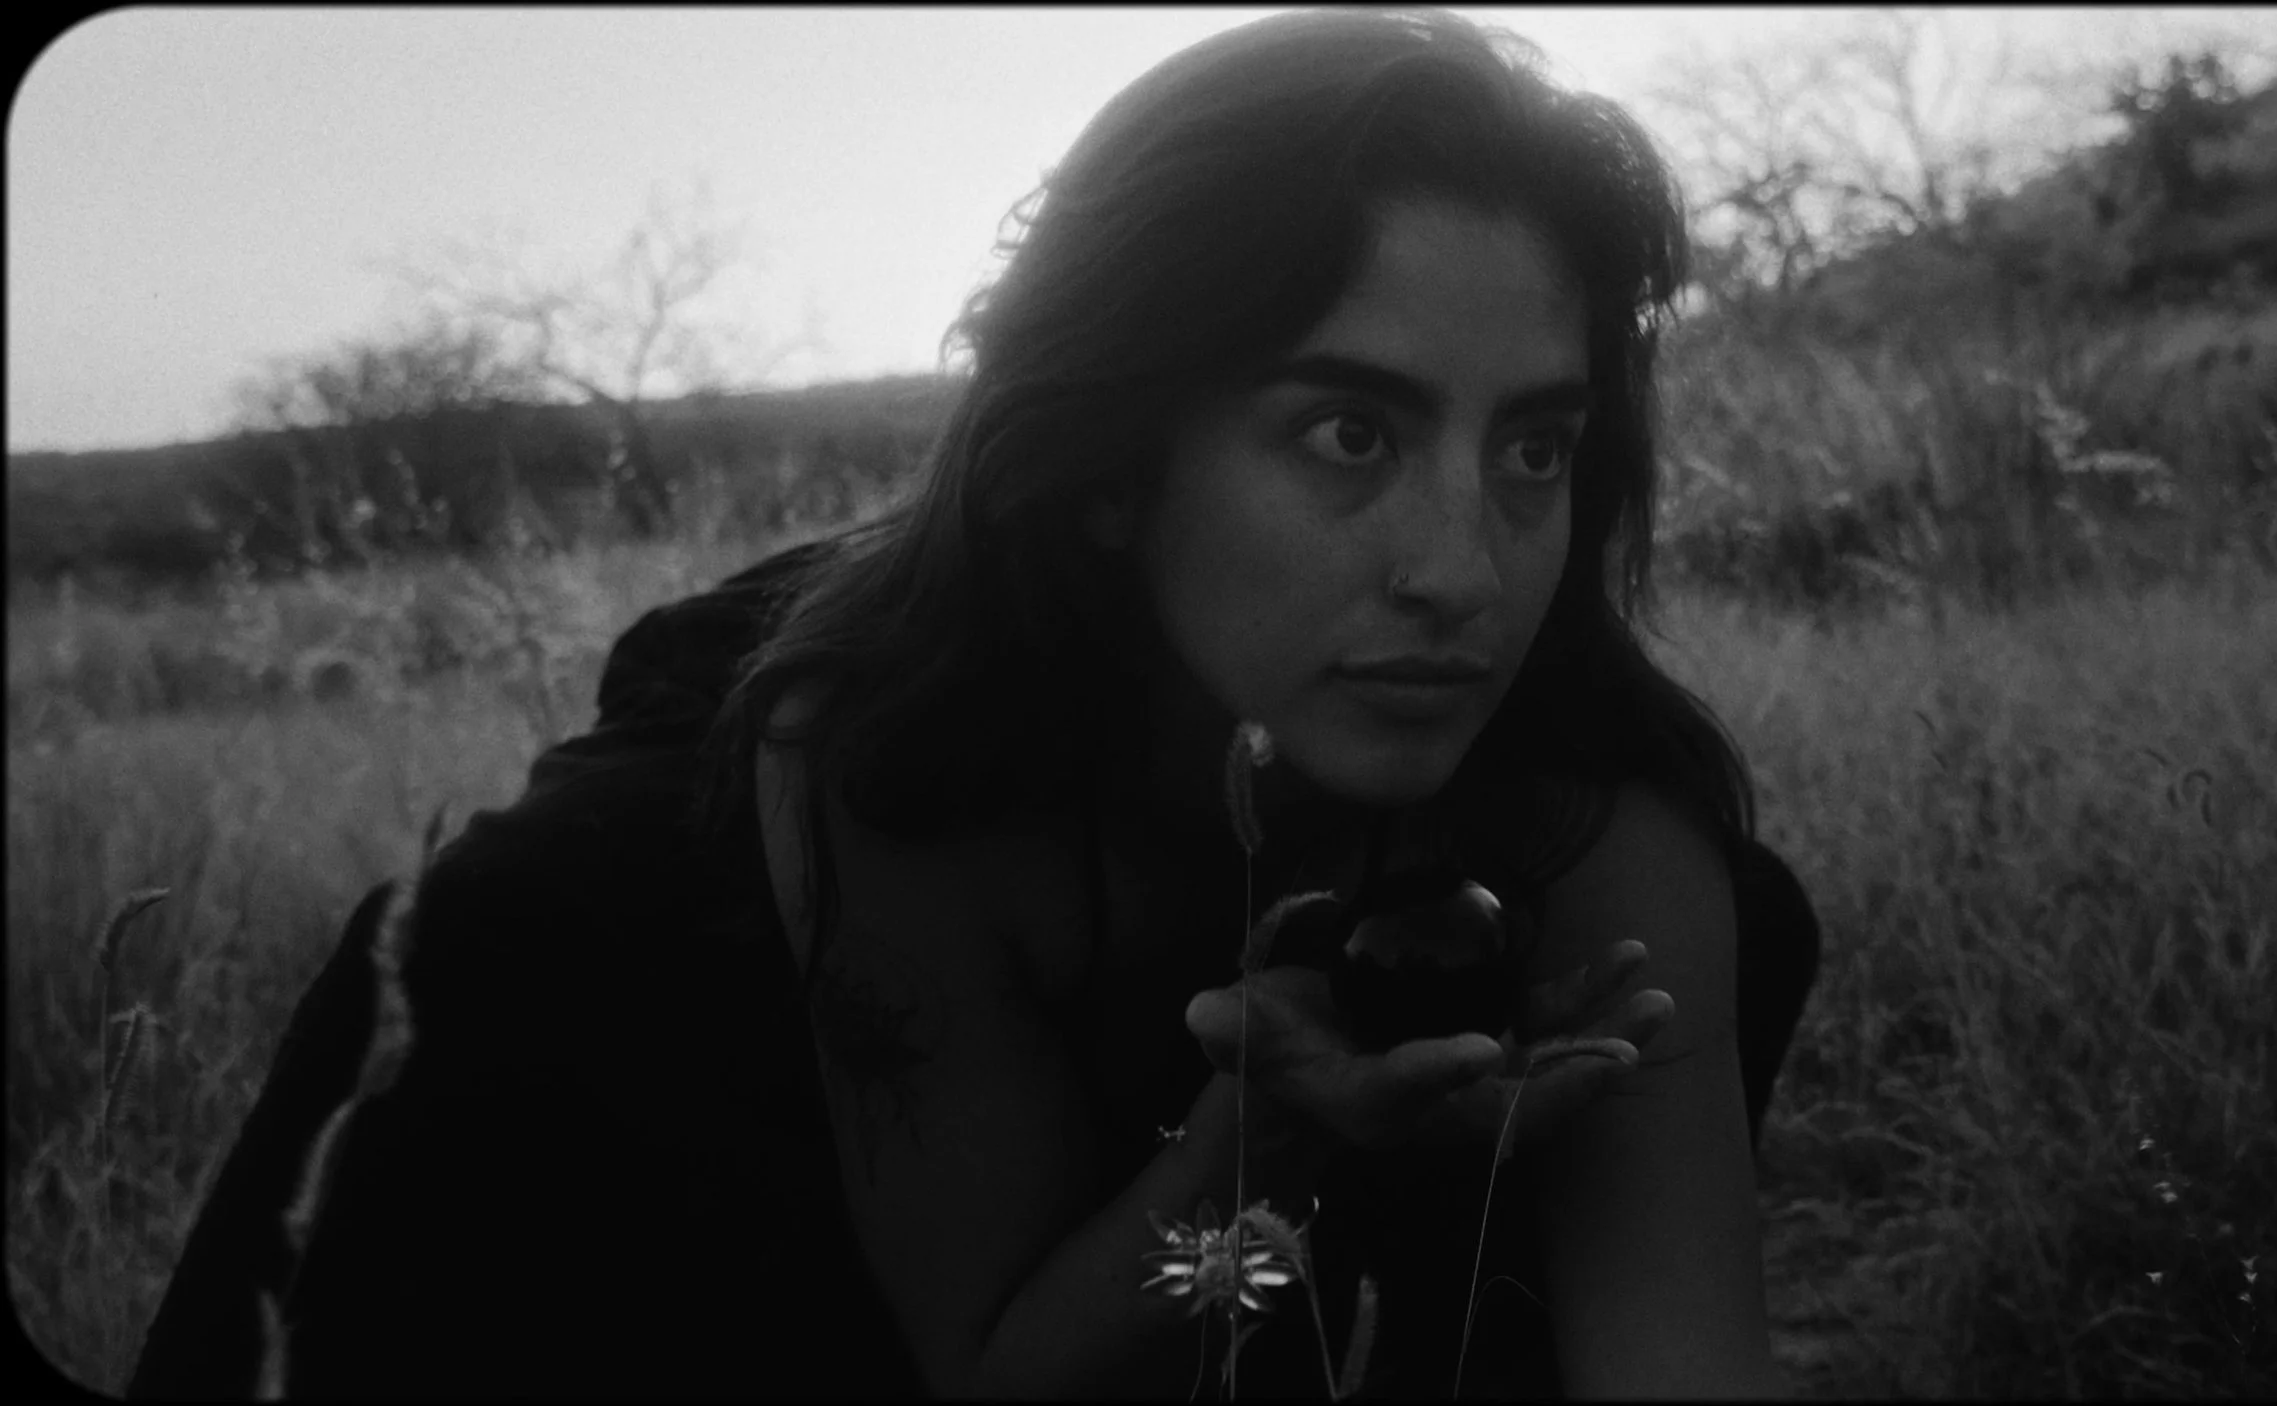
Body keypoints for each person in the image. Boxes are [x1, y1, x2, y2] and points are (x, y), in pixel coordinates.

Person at [130, 8, 1819, 1399]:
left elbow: (1686, 1363)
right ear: (1114, 462)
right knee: (514, 939)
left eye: (1534, 446)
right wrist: (1268, 1144)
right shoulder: (895, 757)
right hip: (708, 1017)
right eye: (1348, 433)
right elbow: (997, 1366)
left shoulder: (1589, 809)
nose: (1463, 567)